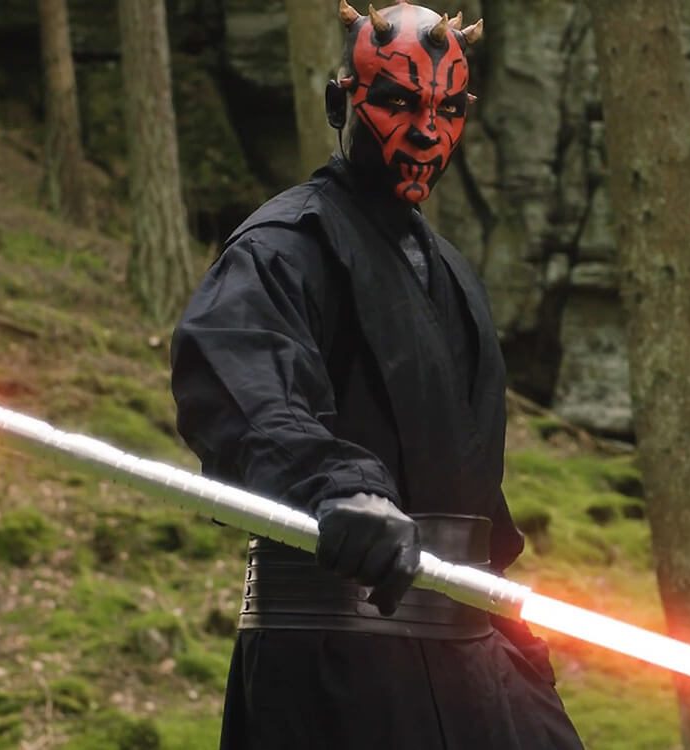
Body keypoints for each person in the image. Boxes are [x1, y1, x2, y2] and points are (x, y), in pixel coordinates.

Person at [170, 2, 584, 748]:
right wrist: (337, 486)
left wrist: (515, 641)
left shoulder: (452, 274)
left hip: (480, 667)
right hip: (334, 673)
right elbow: (245, 384)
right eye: (397, 102)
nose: (426, 131)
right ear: (343, 103)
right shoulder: (283, 247)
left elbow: (472, 492)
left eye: (447, 110)